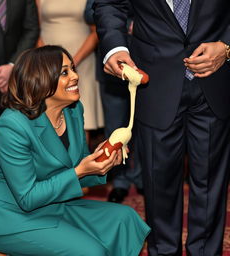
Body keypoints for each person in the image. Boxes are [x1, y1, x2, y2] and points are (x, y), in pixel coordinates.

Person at [0, 45, 150, 256]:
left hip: (53, 204)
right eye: (65, 72)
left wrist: (100, 163)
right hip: (10, 217)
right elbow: (28, 197)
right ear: (40, 79)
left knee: (125, 219)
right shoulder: (11, 126)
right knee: (90, 252)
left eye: (73, 69)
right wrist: (80, 171)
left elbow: (78, 168)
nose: (76, 76)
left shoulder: (74, 110)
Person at [93, 1, 230, 255]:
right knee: (158, 184)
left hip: (215, 79)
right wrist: (115, 48)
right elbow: (110, 4)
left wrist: (227, 46)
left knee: (211, 185)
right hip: (153, 81)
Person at [0, 0, 39, 186]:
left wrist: (12, 67)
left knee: (19, 142)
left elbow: (31, 29)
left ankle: (19, 194)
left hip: (17, 79)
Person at [85, 0, 143, 203]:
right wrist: (126, 25)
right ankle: (119, 181)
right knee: (115, 128)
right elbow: (89, 12)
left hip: (148, 66)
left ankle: (142, 178)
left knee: (146, 127)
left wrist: (145, 24)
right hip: (113, 69)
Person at [35, 0, 104, 144]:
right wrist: (48, 59)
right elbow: (35, 28)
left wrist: (72, 63)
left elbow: (97, 30)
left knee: (82, 119)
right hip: (48, 64)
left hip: (82, 61)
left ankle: (79, 162)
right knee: (47, 113)